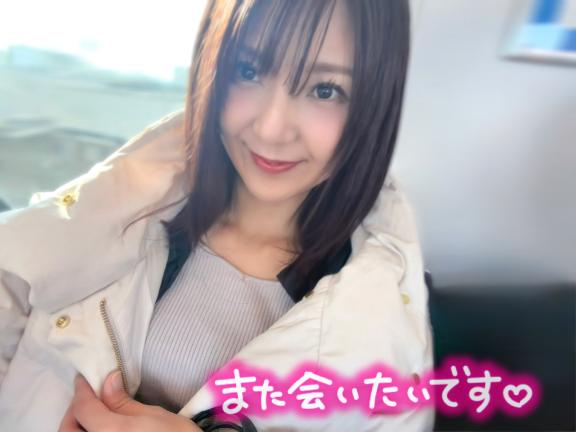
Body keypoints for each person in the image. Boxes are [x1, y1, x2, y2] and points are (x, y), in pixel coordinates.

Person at [0, 0, 435, 430]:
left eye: (325, 90)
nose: (270, 128)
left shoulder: (383, 326)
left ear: (374, 106)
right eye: (248, 70)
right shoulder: (119, 203)